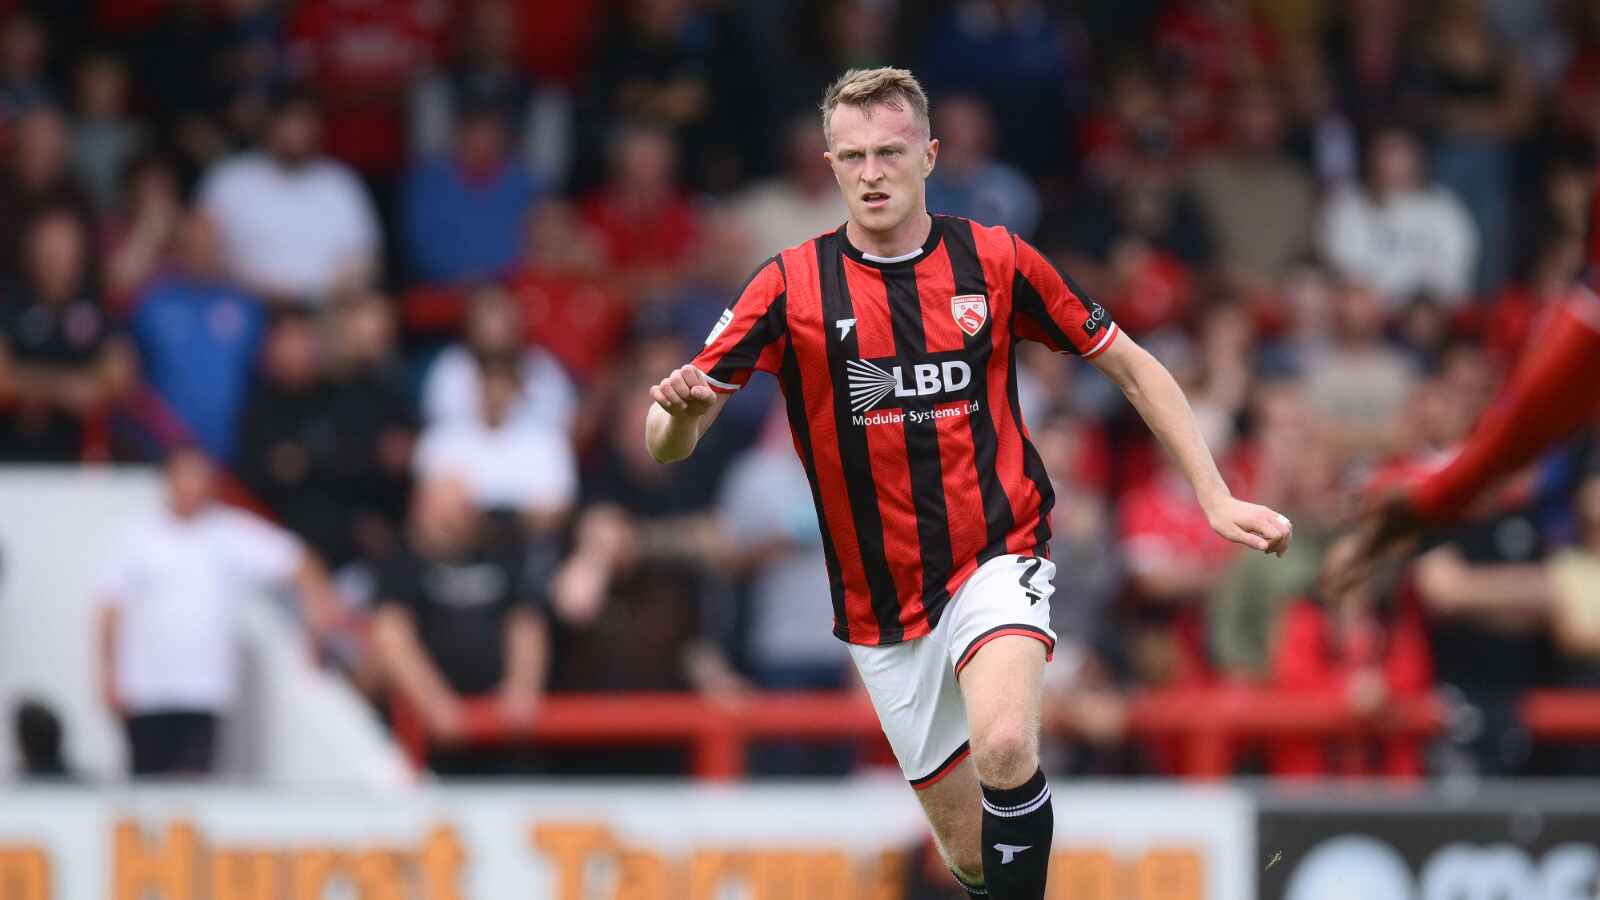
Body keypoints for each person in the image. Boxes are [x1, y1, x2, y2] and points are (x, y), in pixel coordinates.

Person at [643, 68, 1292, 899]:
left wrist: (1215, 495)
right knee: (970, 854)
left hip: (997, 549)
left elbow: (1130, 364)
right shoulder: (788, 287)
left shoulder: (995, 259)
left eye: (889, 152)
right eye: (852, 157)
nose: (871, 172)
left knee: (1006, 746)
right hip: (881, 607)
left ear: (930, 155)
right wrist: (679, 416)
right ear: (831, 164)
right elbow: (666, 442)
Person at [97, 447, 341, 777]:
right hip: (146, 687)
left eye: (198, 476)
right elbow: (111, 610)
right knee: (145, 790)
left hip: (204, 688)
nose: (190, 486)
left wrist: (316, 617)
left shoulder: (230, 534)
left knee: (193, 789)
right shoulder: (135, 536)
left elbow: (299, 562)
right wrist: (110, 675)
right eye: (183, 476)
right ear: (167, 481)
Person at [370, 477, 550, 775]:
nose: (448, 519)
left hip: (500, 734)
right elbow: (391, 636)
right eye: (440, 510)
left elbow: (526, 624)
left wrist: (522, 688)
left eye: (458, 509)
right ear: (419, 510)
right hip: (427, 742)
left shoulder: (501, 553)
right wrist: (434, 701)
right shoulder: (400, 561)